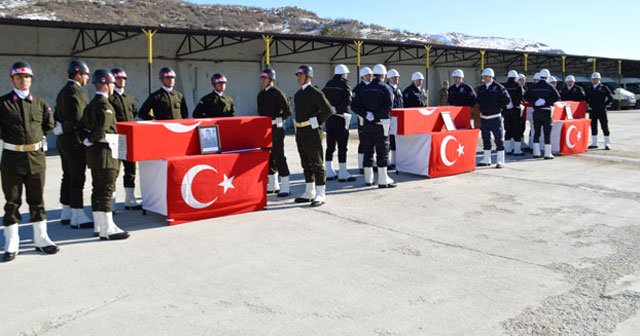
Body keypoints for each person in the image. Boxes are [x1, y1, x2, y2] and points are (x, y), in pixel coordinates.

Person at [1, 61, 58, 262]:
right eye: (19, 77)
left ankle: (41, 238)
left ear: (31, 79)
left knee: (37, 200)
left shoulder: (40, 103)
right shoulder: (3, 103)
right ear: (12, 79)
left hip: (35, 158)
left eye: (27, 77)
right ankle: (11, 241)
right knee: (12, 201)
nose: (23, 80)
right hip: (12, 159)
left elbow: (48, 125)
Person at [82, 69, 130, 240]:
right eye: (111, 83)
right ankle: (107, 228)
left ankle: (98, 225)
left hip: (95, 153)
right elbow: (102, 129)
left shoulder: (91, 104)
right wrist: (92, 139)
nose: (112, 86)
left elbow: (83, 125)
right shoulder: (105, 105)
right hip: (105, 152)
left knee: (98, 188)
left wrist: (87, 140)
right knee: (106, 190)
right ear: (105, 84)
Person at [54, 59, 94, 229]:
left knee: (67, 176)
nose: (87, 78)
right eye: (86, 74)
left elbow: (57, 114)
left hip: (64, 141)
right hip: (75, 141)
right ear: (78, 75)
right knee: (77, 177)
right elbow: (78, 118)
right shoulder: (76, 92)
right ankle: (78, 214)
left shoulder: (63, 91)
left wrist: (61, 127)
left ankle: (66, 211)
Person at [292, 65, 333, 207]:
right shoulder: (298, 95)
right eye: (297, 75)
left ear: (308, 76)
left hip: (312, 132)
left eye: (300, 74)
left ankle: (320, 193)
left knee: (316, 162)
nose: (298, 77)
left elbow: (328, 110)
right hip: (301, 132)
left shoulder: (315, 93)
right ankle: (309, 191)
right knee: (305, 162)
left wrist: (316, 121)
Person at [352, 64, 395, 188]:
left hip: (366, 125)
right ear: (384, 74)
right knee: (382, 151)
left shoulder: (362, 89)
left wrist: (366, 114)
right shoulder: (385, 88)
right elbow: (388, 107)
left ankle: (368, 179)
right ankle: (383, 180)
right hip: (381, 124)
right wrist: (375, 115)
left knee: (368, 152)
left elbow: (355, 106)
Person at [108, 68, 141, 210]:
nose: (121, 81)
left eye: (123, 78)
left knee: (131, 168)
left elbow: (134, 112)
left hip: (129, 138)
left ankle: (130, 198)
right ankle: (112, 203)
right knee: (114, 170)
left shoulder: (129, 98)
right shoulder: (109, 98)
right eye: (118, 78)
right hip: (115, 139)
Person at [256, 68, 292, 197]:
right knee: (267, 155)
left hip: (277, 128)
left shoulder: (278, 93)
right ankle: (273, 184)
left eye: (264, 78)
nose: (262, 81)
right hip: (264, 129)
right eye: (261, 78)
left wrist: (278, 120)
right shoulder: (260, 95)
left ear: (271, 79)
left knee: (278, 155)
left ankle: (285, 185)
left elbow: (288, 111)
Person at [322, 64, 355, 182]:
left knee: (330, 145)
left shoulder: (328, 84)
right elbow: (348, 100)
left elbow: (323, 99)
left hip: (329, 118)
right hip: (342, 117)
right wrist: (338, 108)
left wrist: (330, 109)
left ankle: (329, 171)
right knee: (342, 145)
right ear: (344, 74)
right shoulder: (345, 84)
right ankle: (343, 172)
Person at [475, 68, 512, 168]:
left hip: (495, 117)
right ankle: (486, 159)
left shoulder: (499, 87)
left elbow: (507, 99)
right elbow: (478, 100)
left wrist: (497, 106)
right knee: (485, 138)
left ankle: (500, 160)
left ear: (491, 77)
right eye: (483, 76)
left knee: (498, 139)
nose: (484, 78)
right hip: (484, 117)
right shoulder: (481, 89)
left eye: (486, 76)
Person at [524, 69, 560, 159]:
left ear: (540, 76)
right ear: (548, 77)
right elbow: (557, 97)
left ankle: (536, 152)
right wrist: (546, 101)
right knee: (547, 133)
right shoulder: (550, 86)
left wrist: (535, 101)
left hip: (536, 111)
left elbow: (525, 96)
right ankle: (548, 154)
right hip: (547, 111)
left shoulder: (533, 86)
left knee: (537, 132)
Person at [585, 72, 613, 149]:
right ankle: (594, 143)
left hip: (602, 110)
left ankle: (607, 143)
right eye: (593, 79)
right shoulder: (589, 88)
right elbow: (586, 98)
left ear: (599, 79)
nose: (595, 80)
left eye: (596, 79)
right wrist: (587, 104)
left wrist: (605, 104)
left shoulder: (604, 88)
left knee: (604, 125)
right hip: (592, 110)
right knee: (593, 126)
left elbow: (610, 98)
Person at [354, 67, 373, 173]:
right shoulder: (358, 89)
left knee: (373, 142)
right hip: (363, 119)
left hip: (373, 119)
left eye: (371, 75)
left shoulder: (373, 87)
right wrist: (363, 115)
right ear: (362, 76)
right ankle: (361, 165)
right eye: (368, 75)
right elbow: (355, 106)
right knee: (363, 142)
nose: (370, 77)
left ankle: (371, 162)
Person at [503, 70, 525, 156]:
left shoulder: (504, 86)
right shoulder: (518, 86)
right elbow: (521, 98)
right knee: (517, 129)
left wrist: (507, 105)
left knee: (508, 129)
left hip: (506, 110)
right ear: (516, 77)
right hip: (516, 110)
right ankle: (517, 150)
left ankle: (508, 149)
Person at [386, 69, 403, 170]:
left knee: (395, 140)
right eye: (395, 77)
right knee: (387, 140)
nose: (397, 79)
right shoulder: (387, 88)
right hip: (389, 118)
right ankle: (387, 161)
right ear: (389, 78)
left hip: (397, 118)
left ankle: (394, 161)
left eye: (398, 77)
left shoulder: (398, 89)